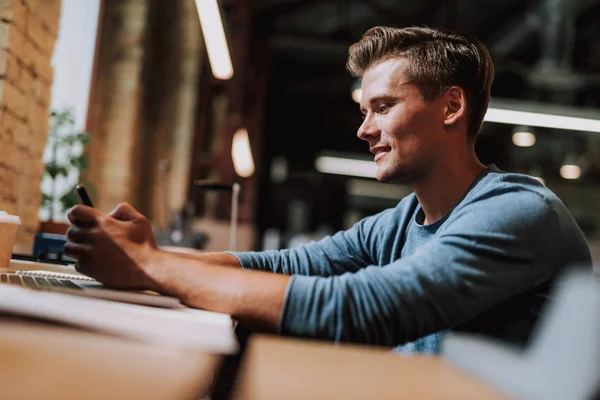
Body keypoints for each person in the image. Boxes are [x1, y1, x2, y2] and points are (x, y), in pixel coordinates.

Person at [64, 26, 591, 354]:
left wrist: (151, 266)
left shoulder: (519, 211)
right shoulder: (400, 222)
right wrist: (145, 253)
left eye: (383, 107)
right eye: (364, 111)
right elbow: (276, 267)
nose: (363, 130)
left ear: (451, 107)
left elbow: (363, 310)